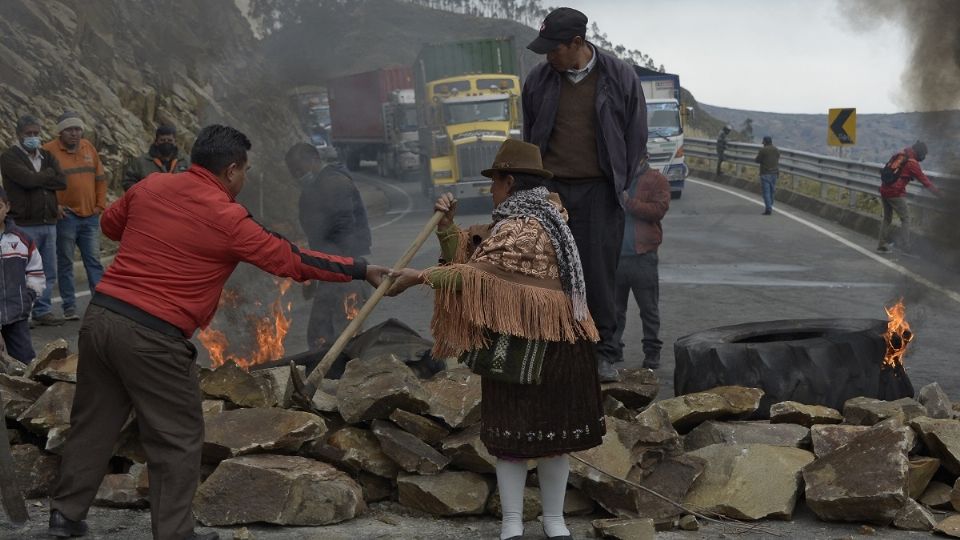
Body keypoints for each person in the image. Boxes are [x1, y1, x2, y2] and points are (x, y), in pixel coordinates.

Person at [48, 125, 391, 540]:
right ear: (230, 170)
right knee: (177, 437)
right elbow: (291, 260)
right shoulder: (228, 218)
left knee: (93, 422)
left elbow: (110, 225)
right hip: (153, 336)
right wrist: (361, 268)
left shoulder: (152, 185)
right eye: (244, 170)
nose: (244, 179)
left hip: (101, 319)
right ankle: (175, 535)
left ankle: (64, 517)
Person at [389, 140, 603, 540]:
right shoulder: (525, 221)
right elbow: (471, 258)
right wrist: (447, 228)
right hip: (528, 346)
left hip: (542, 347)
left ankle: (546, 522)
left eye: (495, 182)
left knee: (549, 438)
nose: (490, 190)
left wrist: (417, 277)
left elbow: (477, 277)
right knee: (516, 437)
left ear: (509, 181)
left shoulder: (525, 226)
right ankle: (518, 524)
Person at [523, 7, 647, 383]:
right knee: (552, 275)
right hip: (552, 191)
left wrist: (620, 184)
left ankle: (605, 352)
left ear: (577, 43)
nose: (548, 56)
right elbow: (531, 137)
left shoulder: (619, 76)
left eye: (553, 49)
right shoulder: (539, 80)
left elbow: (635, 134)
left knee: (597, 274)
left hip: (599, 190)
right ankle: (561, 348)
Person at [284, 143, 372, 349]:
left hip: (344, 271)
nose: (297, 176)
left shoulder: (335, 183)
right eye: (293, 173)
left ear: (314, 159)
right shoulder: (317, 187)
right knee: (322, 335)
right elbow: (319, 238)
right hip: (331, 270)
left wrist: (341, 268)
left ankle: (346, 376)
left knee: (342, 336)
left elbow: (344, 232)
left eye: (299, 169)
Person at [0, 114, 67, 326]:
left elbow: (62, 181)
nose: (33, 137)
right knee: (20, 270)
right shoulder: (9, 157)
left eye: (36, 134)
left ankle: (43, 310)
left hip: (49, 222)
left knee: (47, 270)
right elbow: (27, 180)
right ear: (19, 134)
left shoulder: (47, 156)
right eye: (28, 134)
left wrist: (39, 178)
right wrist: (46, 176)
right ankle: (22, 312)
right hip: (23, 224)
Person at [42, 111, 106, 321]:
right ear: (61, 131)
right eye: (70, 129)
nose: (75, 133)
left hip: (90, 217)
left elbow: (100, 178)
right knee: (66, 263)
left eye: (78, 129)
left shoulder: (89, 147)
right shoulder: (48, 151)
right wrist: (54, 205)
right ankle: (69, 307)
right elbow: (42, 183)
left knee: (94, 262)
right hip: (66, 217)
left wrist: (100, 204)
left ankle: (99, 305)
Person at [613, 167, 670, 370]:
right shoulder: (617, 177)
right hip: (618, 256)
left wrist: (629, 202)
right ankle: (613, 349)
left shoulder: (656, 180)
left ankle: (652, 352)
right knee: (615, 309)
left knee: (649, 310)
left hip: (643, 257)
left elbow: (658, 211)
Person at [0, 186, 45, 364]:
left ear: (7, 207)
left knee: (26, 364)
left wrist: (28, 299)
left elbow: (36, 272)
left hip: (16, 315)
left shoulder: (22, 240)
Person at [877, 141, 941, 253]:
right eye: (924, 155)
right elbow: (926, 182)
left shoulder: (900, 155)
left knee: (887, 218)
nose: (924, 157)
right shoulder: (912, 163)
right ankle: (905, 246)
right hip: (895, 193)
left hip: (884, 189)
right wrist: (940, 194)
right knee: (906, 218)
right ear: (919, 153)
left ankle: (881, 245)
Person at [122, 124, 191, 191]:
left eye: (169, 140)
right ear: (156, 142)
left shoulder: (186, 162)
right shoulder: (141, 162)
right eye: (162, 140)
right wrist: (142, 194)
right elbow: (128, 182)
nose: (166, 143)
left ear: (175, 142)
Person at [755, 135, 780, 215]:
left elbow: (757, 160)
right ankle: (770, 205)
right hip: (774, 173)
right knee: (772, 191)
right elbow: (778, 158)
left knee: (766, 192)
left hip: (765, 173)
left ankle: (768, 208)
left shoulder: (763, 150)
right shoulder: (776, 150)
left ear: (765, 142)